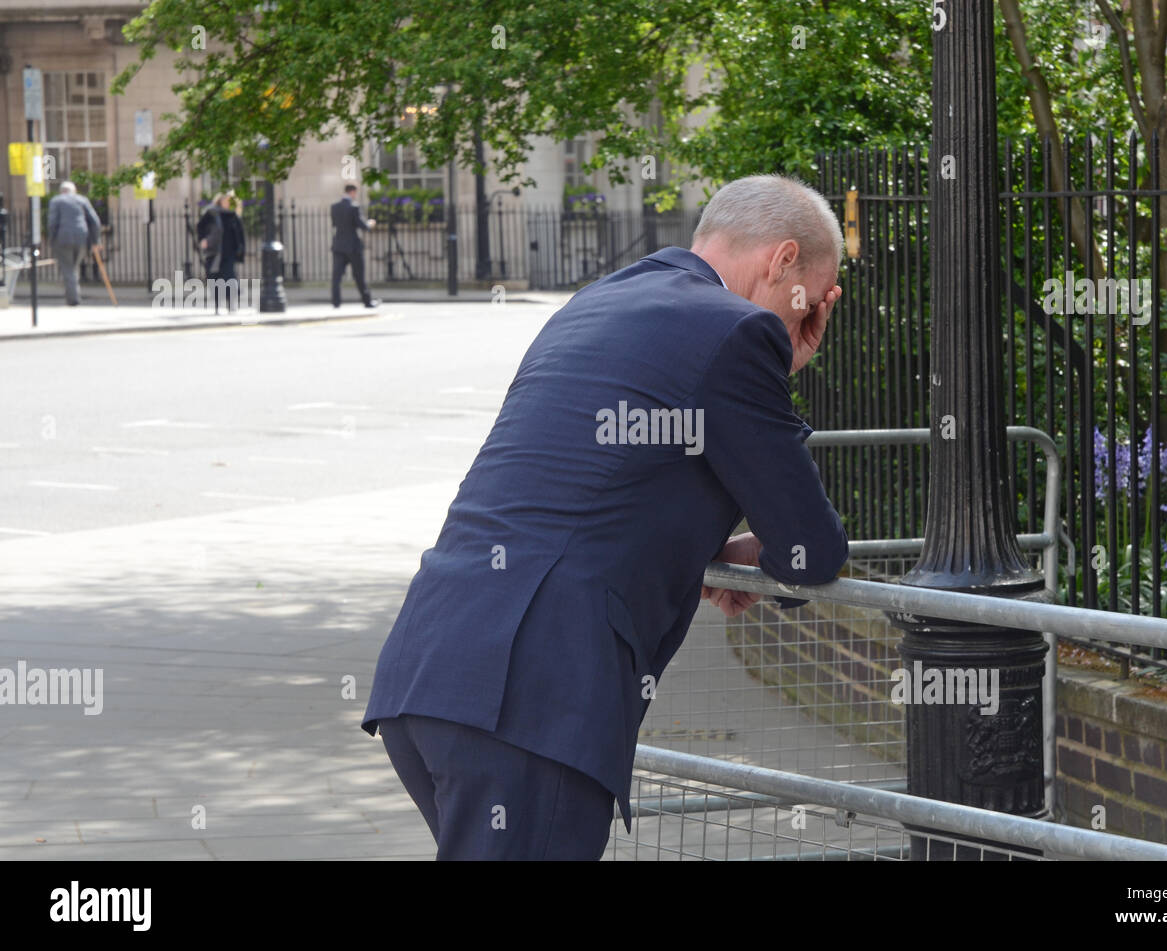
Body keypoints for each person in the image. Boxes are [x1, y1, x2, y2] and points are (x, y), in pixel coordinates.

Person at [361, 174, 848, 861]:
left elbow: (603, 485)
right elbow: (812, 549)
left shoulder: (598, 303)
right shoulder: (735, 332)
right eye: (807, 304)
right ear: (782, 261)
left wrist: (713, 552)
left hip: (432, 671)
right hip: (531, 702)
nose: (797, 324)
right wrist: (781, 354)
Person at [46, 181, 102, 306]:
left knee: (68, 269)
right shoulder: (82, 200)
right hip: (82, 238)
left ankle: (73, 299)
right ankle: (73, 296)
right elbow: (95, 221)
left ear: (62, 191)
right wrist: (95, 241)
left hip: (63, 238)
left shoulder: (57, 201)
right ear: (74, 191)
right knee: (73, 268)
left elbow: (52, 222)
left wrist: (52, 239)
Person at [330, 184, 379, 308]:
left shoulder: (334, 207)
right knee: (359, 276)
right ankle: (367, 302)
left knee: (336, 276)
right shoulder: (354, 207)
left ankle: (336, 302)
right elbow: (363, 226)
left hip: (339, 245)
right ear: (352, 192)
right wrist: (371, 223)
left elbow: (335, 224)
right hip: (353, 247)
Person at [196, 191, 245, 312]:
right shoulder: (211, 213)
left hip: (229, 253)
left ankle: (231, 304)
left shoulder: (234, 215)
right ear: (220, 200)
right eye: (226, 199)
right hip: (214, 252)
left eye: (231, 200)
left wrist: (240, 249)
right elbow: (200, 227)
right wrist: (203, 239)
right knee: (214, 278)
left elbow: (240, 234)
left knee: (229, 278)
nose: (228, 202)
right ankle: (217, 305)